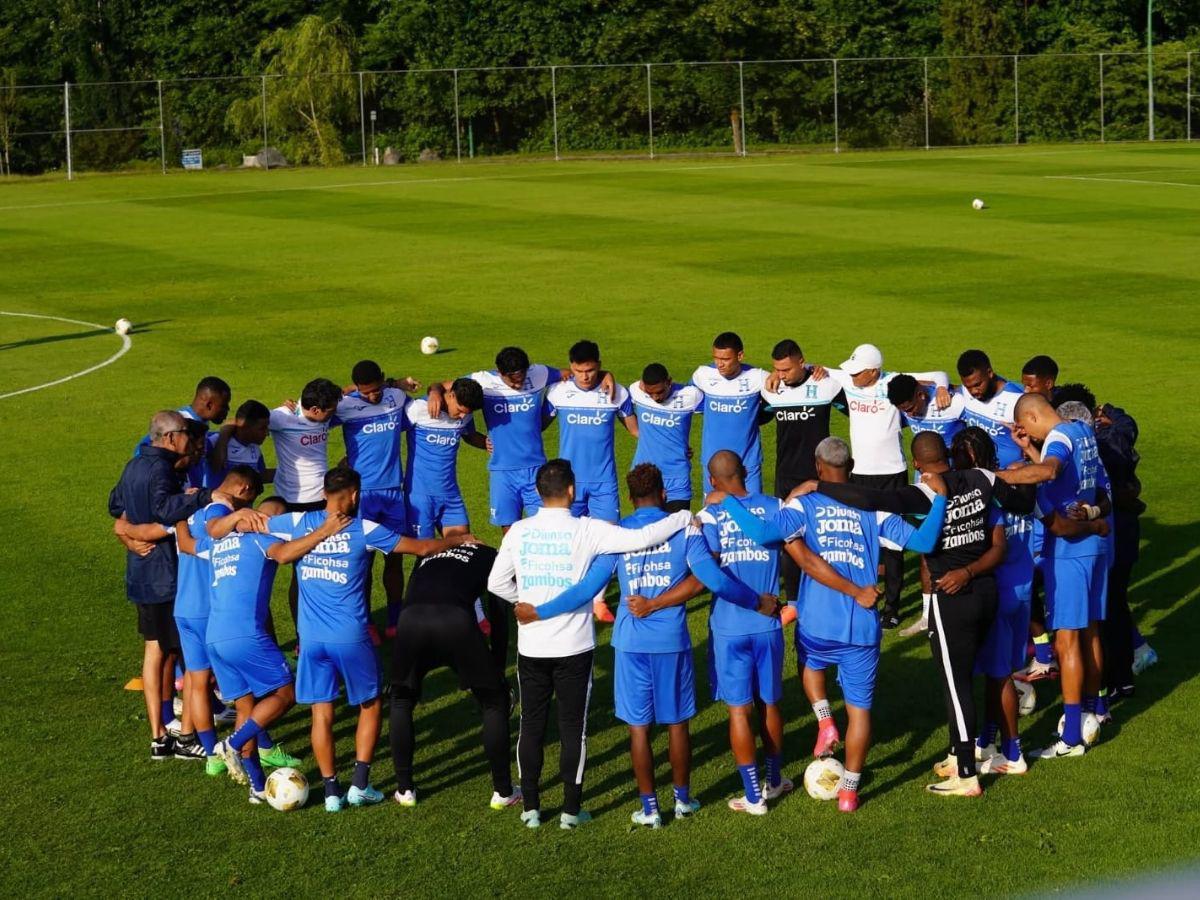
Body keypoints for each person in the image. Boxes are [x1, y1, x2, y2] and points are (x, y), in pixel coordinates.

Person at [518, 463, 772, 827]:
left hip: (630, 643)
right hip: (670, 641)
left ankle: (650, 808)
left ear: (630, 497)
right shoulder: (685, 529)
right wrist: (755, 601)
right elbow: (712, 578)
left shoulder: (617, 534)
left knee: (638, 728)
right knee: (677, 724)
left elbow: (586, 590)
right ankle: (683, 801)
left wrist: (539, 611)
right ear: (664, 494)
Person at [721, 438, 947, 812]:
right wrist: (938, 500)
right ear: (852, 464)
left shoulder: (805, 505)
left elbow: (762, 534)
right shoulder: (874, 509)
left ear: (817, 464)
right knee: (860, 714)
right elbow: (924, 541)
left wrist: (727, 499)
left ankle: (824, 719)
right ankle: (849, 793)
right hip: (861, 627)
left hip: (817, 621)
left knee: (809, 667)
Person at [486, 459, 693, 830]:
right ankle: (570, 811)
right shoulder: (589, 530)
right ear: (572, 491)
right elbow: (641, 538)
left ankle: (531, 808)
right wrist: (682, 517)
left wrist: (524, 604)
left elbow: (495, 583)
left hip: (532, 646)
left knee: (531, 726)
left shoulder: (517, 531)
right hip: (574, 645)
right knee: (571, 729)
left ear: (537, 492)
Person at [270, 466, 476, 812]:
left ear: (323, 493)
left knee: (322, 712)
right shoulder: (364, 529)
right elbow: (423, 548)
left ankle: (332, 791)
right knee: (370, 704)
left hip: (311, 638)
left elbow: (259, 523)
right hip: (350, 636)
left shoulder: (295, 524)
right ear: (353, 495)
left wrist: (231, 514)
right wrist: (457, 540)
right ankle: (360, 785)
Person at [199, 500, 350, 802]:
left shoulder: (219, 542)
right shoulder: (261, 539)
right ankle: (232, 743)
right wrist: (324, 530)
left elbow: (191, 543)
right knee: (286, 693)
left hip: (214, 636)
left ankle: (256, 786)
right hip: (245, 634)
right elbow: (283, 555)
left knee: (246, 708)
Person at [997, 392, 1112, 760]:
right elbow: (1073, 478)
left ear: (1031, 418)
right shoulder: (1082, 431)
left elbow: (1050, 472)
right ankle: (1096, 709)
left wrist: (991, 477)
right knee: (1091, 631)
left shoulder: (1060, 438)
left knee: (1067, 641)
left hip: (1070, 551)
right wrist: (1030, 452)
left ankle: (1073, 736)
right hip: (1092, 548)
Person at [819, 343, 950, 628]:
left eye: (858, 372)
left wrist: (941, 388)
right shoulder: (847, 379)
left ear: (875, 371)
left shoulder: (893, 381)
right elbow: (812, 369)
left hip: (892, 474)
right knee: (861, 538)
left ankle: (891, 607)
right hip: (860, 475)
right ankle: (861, 597)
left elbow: (938, 374)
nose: (852, 376)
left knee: (894, 543)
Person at [110, 410, 214, 759]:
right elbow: (166, 509)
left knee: (154, 651)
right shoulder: (161, 469)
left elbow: (115, 505)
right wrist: (202, 497)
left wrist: (127, 531)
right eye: (186, 433)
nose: (190, 440)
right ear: (171, 437)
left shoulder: (132, 465)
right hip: (166, 575)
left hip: (140, 573)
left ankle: (158, 738)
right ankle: (186, 739)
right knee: (189, 650)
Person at [390, 541, 521, 811]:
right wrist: (496, 672)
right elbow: (498, 614)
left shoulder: (428, 553)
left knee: (401, 700)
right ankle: (503, 791)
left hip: (411, 619)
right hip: (454, 621)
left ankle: (404, 790)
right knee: (494, 702)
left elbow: (414, 590)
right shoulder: (491, 555)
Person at [427, 346, 615, 531]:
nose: (518, 385)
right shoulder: (483, 380)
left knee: (545, 529)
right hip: (502, 472)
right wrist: (434, 393)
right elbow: (444, 386)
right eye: (513, 382)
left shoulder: (539, 373)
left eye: (522, 378)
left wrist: (606, 375)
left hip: (536, 470)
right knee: (509, 533)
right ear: (500, 372)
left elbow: (575, 374)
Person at [1053, 384, 1153, 696]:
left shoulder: (1088, 449)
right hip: (1117, 532)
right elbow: (1127, 427)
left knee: (1106, 612)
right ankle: (1117, 677)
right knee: (1110, 609)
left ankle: (1117, 679)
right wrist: (1111, 411)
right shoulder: (1111, 436)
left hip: (1107, 537)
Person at [545, 340, 638, 622]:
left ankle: (598, 602)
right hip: (567, 483)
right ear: (570, 367)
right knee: (565, 541)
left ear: (599, 365)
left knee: (607, 542)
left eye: (591, 370)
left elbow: (636, 431)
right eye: (578, 370)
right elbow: (533, 425)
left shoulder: (616, 392)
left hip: (603, 483)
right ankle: (566, 594)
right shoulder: (558, 392)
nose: (584, 376)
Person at [332, 361, 415, 639]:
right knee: (362, 561)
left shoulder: (396, 397)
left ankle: (395, 619)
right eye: (365, 392)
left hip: (393, 492)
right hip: (362, 496)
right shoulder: (344, 406)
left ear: (383, 380)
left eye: (376, 389)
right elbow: (311, 418)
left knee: (395, 558)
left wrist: (397, 383)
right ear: (356, 387)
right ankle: (366, 622)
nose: (372, 396)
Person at [760, 339, 845, 607]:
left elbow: (856, 405)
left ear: (801, 361)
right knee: (789, 540)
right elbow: (754, 418)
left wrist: (817, 368)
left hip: (820, 478)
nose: (781, 376)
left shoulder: (825, 385)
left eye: (786, 370)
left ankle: (827, 592)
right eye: (777, 370)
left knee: (823, 537)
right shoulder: (773, 391)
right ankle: (794, 601)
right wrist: (772, 379)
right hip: (786, 477)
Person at [268, 377, 343, 627]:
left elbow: (348, 391)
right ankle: (302, 633)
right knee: (299, 573)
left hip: (324, 502)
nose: (334, 414)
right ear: (314, 410)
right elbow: (243, 423)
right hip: (294, 505)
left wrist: (395, 383)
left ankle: (326, 622)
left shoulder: (323, 409)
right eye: (330, 411)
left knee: (327, 568)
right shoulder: (281, 417)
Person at [404, 377, 485, 539]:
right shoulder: (418, 409)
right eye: (460, 410)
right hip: (420, 497)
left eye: (467, 413)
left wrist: (490, 444)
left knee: (462, 549)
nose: (462, 417)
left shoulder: (464, 416)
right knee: (425, 554)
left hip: (451, 496)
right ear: (452, 396)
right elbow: (388, 435)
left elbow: (470, 435)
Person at [691, 332, 768, 494]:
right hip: (712, 464)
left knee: (753, 512)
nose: (720, 364)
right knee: (713, 514)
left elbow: (790, 383)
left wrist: (810, 368)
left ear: (740, 356)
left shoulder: (757, 377)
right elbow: (688, 397)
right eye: (716, 358)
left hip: (747, 463)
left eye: (725, 359)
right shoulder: (703, 375)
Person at [628, 363, 703, 513]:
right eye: (650, 393)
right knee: (649, 533)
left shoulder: (691, 396)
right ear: (643, 385)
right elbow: (619, 406)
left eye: (660, 392)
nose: (655, 398)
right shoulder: (636, 390)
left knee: (677, 532)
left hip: (677, 477)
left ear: (669, 381)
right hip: (644, 476)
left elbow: (717, 414)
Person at [956, 350, 1026, 469]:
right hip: (980, 474)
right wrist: (941, 388)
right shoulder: (965, 391)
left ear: (989, 373)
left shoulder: (1017, 399)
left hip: (1010, 476)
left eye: (977, 385)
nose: (973, 392)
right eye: (968, 387)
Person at [204, 399, 272, 488]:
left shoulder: (255, 449)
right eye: (262, 428)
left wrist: (293, 472)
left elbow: (261, 476)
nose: (267, 433)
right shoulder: (212, 441)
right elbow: (216, 467)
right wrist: (224, 435)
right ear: (245, 426)